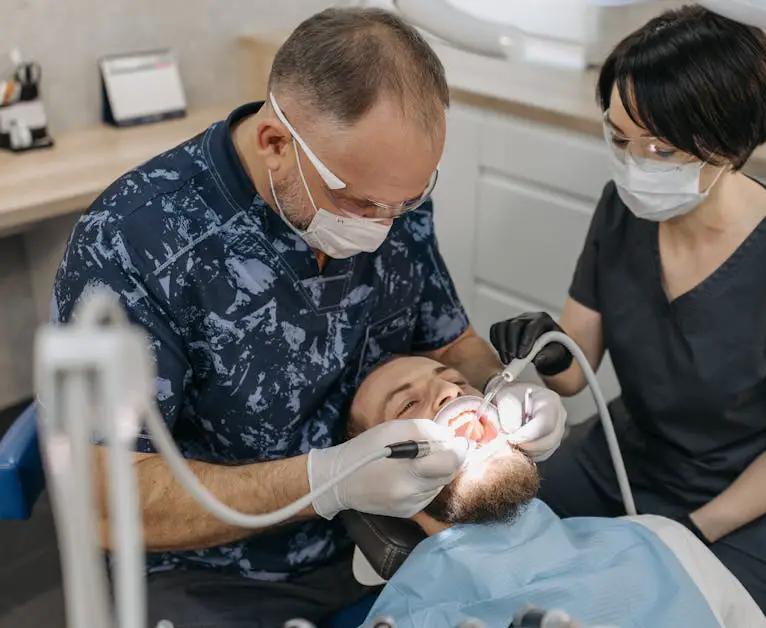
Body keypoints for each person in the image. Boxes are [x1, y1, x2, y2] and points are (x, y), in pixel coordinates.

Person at [50, 8, 566, 627]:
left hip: (393, 533)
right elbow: (107, 502)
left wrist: (508, 392)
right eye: (359, 204)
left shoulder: (387, 196)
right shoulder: (136, 244)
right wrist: (326, 482)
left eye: (409, 202)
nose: (382, 227)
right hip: (217, 572)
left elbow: (449, 343)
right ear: (275, 143)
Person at [489, 6, 766, 620]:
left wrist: (688, 531)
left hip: (750, 502)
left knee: (653, 608)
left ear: (730, 147)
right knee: (490, 534)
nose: (633, 164)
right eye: (618, 138)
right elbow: (576, 373)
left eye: (660, 148)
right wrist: (548, 347)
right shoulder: (622, 210)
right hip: (629, 458)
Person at [344, 355, 766, 628]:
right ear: (382, 483)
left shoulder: (658, 540)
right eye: (406, 406)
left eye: (457, 381)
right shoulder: (409, 621)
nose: (451, 392)